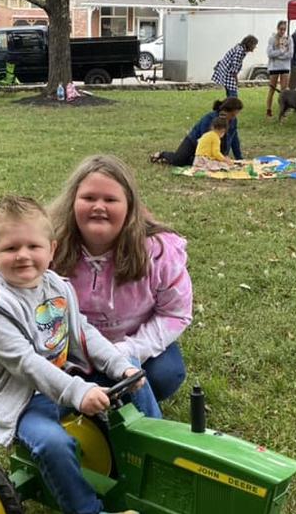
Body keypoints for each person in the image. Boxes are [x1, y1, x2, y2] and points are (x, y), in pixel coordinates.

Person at [0, 196, 159, 514]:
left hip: (63, 379)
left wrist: (120, 365)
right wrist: (78, 392)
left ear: (51, 249)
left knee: (134, 381)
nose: (23, 256)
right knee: (54, 443)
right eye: (10, 248)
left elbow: (83, 333)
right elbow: (26, 363)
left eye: (33, 246)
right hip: (21, 400)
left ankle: (157, 459)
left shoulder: (56, 286)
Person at [50, 156, 193, 403]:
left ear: (129, 206)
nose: (99, 206)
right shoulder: (48, 245)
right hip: (71, 347)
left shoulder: (159, 252)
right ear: (72, 202)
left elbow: (175, 313)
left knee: (165, 374)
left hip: (132, 343)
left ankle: (104, 389)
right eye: (89, 198)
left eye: (110, 200)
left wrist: (127, 351)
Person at [150, 97, 244, 167]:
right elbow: (204, 139)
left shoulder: (233, 121)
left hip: (213, 149)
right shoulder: (210, 118)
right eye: (232, 115)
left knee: (201, 162)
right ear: (225, 111)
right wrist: (214, 156)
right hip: (194, 142)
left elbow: (234, 139)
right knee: (178, 161)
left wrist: (239, 158)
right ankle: (162, 154)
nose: (234, 117)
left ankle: (191, 159)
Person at [265, 21, 293, 118]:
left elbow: (290, 54)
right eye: (281, 29)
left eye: (284, 29)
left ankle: (283, 111)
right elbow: (269, 53)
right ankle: (268, 110)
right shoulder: (272, 38)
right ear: (277, 28)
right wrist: (281, 52)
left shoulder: (289, 39)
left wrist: (278, 55)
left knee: (284, 91)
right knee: (272, 89)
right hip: (274, 67)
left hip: (285, 67)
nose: (282, 31)